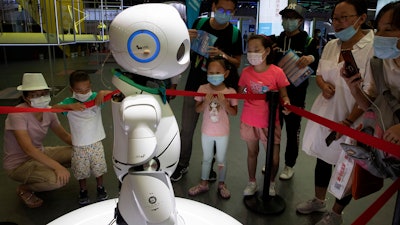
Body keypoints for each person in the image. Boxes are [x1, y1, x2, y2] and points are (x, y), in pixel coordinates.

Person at [298, 0, 374, 224]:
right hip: (326, 114)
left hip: (354, 119)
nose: (339, 23)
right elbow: (320, 73)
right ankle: (319, 201)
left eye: (345, 17)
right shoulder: (332, 45)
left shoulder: (372, 47)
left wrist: (348, 122)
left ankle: (336, 213)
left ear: (361, 18)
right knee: (323, 159)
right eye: (336, 18)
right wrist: (322, 85)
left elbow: (372, 91)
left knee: (347, 167)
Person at [171, 0, 243, 182]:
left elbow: (237, 62)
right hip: (194, 86)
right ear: (213, 7)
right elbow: (183, 51)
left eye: (229, 11)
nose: (224, 13)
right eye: (220, 9)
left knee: (215, 129)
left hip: (218, 90)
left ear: (233, 12)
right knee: (187, 129)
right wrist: (185, 37)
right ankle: (182, 164)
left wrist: (222, 55)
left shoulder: (234, 34)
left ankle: (209, 168)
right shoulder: (200, 24)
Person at [3, 73, 72, 208]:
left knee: (79, 153)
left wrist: (87, 147)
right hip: (19, 164)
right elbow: (28, 149)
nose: (41, 98)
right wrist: (57, 167)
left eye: (44, 93)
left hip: (39, 153)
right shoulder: (17, 114)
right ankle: (25, 188)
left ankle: (43, 172)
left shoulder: (48, 111)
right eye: (35, 95)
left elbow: (64, 135)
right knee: (56, 181)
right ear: (25, 97)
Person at [272, 3, 319, 180]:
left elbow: (316, 63)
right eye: (285, 17)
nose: (287, 21)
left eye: (292, 17)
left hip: (296, 95)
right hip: (274, 93)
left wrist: (311, 58)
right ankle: (272, 159)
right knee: (273, 130)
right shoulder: (276, 40)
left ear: (300, 21)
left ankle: (289, 165)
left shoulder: (308, 42)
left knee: (292, 132)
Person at [239, 35, 290, 196]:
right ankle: (251, 181)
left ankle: (271, 182)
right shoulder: (246, 72)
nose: (252, 54)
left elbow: (284, 95)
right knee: (252, 153)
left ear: (267, 51)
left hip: (270, 123)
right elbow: (241, 92)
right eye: (249, 51)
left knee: (274, 159)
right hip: (249, 121)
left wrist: (287, 103)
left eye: (256, 50)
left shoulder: (277, 72)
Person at [53, 70, 112, 205]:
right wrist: (69, 106)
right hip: (79, 145)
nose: (84, 93)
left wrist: (103, 92)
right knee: (81, 171)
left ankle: (100, 187)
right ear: (72, 89)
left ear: (91, 86)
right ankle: (83, 190)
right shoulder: (69, 102)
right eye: (79, 90)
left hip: (96, 143)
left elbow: (113, 94)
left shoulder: (96, 97)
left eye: (87, 89)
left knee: (99, 168)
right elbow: (54, 108)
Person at [188, 56, 238, 199]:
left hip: (223, 132)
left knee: (221, 159)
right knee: (207, 158)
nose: (213, 75)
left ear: (226, 74)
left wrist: (225, 104)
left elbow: (234, 112)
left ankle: (222, 184)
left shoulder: (230, 91)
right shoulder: (203, 88)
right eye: (210, 72)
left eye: (217, 72)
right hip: (207, 131)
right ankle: (204, 183)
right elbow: (197, 109)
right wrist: (204, 103)